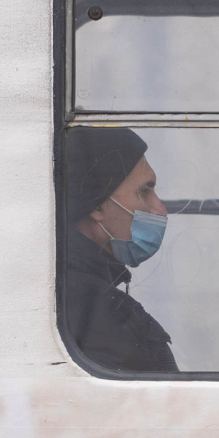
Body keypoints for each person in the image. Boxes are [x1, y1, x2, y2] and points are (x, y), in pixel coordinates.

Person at [63, 127, 178, 372]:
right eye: (144, 191)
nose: (160, 209)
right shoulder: (98, 313)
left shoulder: (70, 291)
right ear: (97, 206)